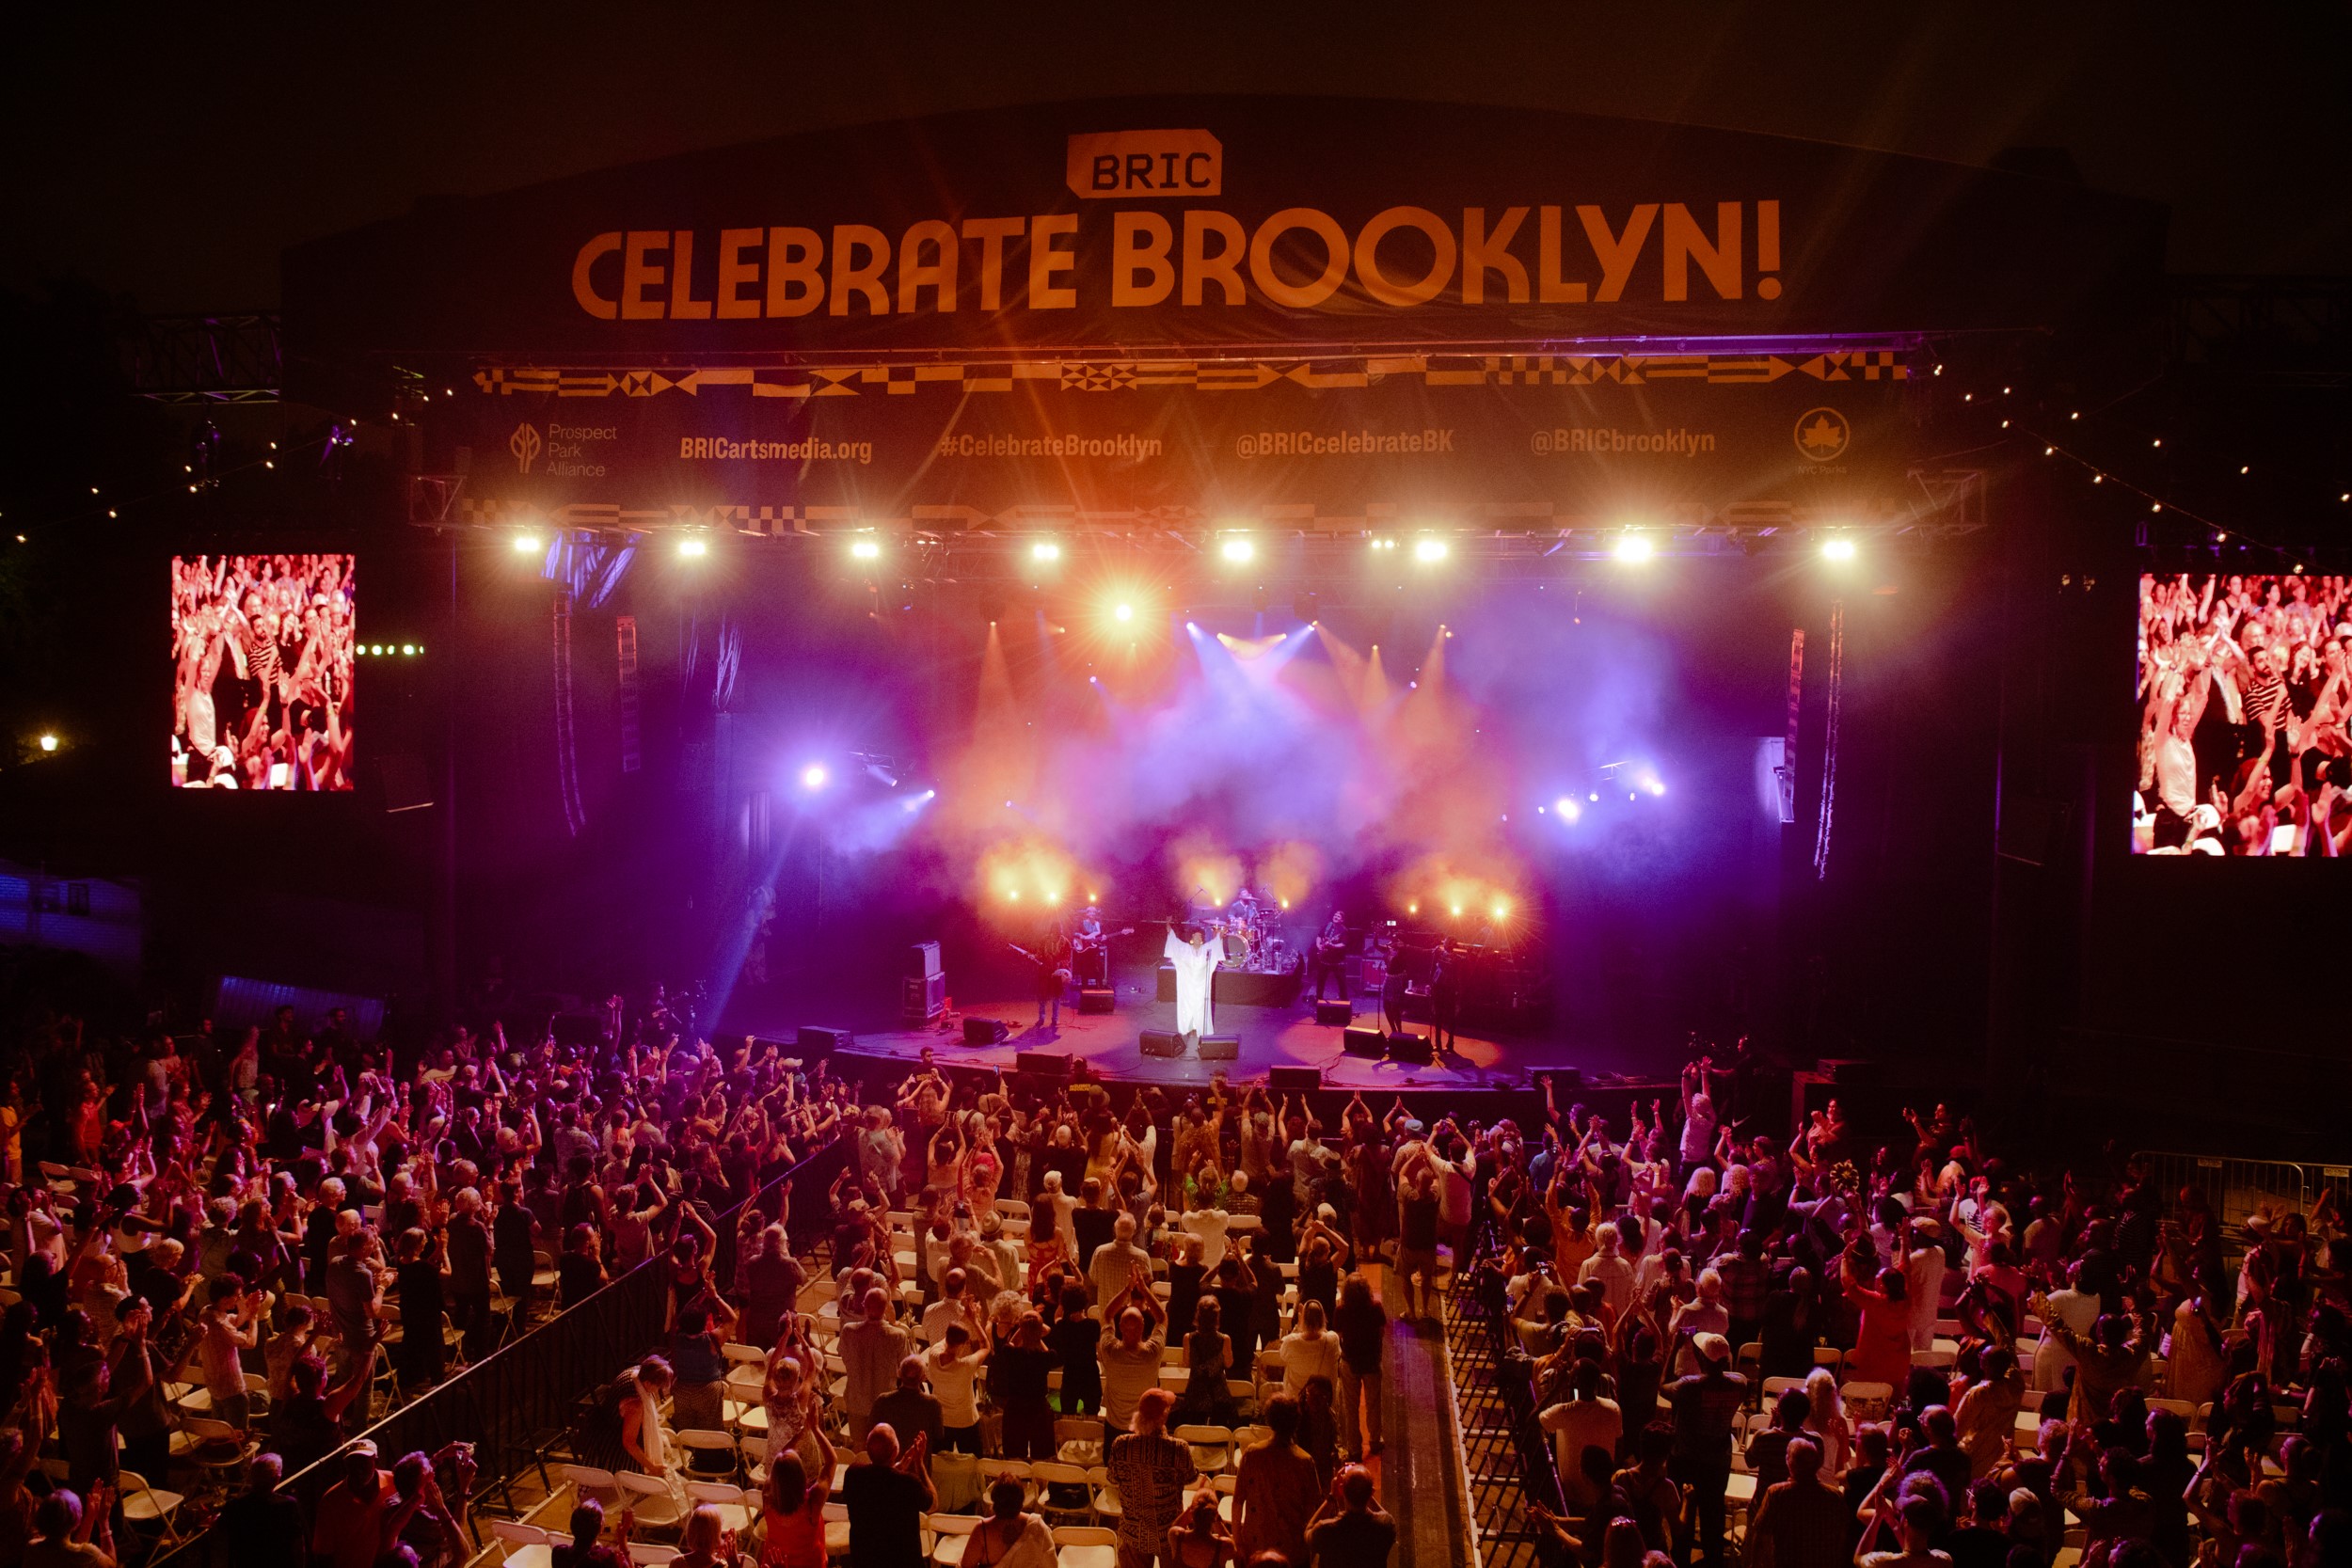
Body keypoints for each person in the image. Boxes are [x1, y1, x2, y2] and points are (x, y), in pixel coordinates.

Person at [1666, 1332, 1747, 1568]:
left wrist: (1673, 1349)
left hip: (1686, 1459)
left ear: (1701, 1358)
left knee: (1685, 1514)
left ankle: (1682, 1561)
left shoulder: (1689, 1386)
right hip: (1718, 1461)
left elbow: (1663, 1386)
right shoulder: (1739, 1384)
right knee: (1714, 1514)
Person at [1107, 1388, 1196, 1568]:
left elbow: (1112, 1477)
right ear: (1164, 1416)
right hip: (1169, 1534)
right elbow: (1191, 1477)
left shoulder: (1121, 1445)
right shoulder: (1178, 1449)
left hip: (1133, 1534)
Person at [1232, 1394, 1322, 1566]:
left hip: (1255, 1547)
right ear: (1296, 1422)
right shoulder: (1305, 1461)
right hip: (1293, 1549)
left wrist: (1239, 1542)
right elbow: (1312, 1509)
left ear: (1269, 1420)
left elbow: (1237, 1502)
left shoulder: (1252, 1454)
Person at [1744, 1437, 1849, 1568]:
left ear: (1789, 1462)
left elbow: (1761, 1536)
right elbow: (1842, 1538)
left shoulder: (1777, 1493)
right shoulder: (1835, 1496)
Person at [842, 1423, 933, 1568]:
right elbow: (932, 1504)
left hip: (865, 1560)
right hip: (903, 1562)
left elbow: (879, 1482)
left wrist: (897, 1468)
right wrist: (919, 1463)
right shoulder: (907, 1483)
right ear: (895, 1452)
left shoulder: (853, 1475)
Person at [1332, 1273, 1387, 1462]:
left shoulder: (1341, 1311)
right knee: (1373, 1403)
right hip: (1371, 1360)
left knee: (1350, 1406)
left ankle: (1354, 1448)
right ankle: (1375, 1440)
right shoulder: (1375, 1308)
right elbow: (1381, 1332)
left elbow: (1338, 1334)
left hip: (1349, 1361)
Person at [1304, 1465, 1395, 1568]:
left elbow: (1308, 1531)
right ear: (1371, 1492)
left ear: (1341, 1489)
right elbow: (1387, 1517)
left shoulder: (1325, 1531)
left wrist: (1332, 1496)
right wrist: (1367, 1493)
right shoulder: (1385, 1525)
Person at [964, 1476, 1057, 1568]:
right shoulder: (1037, 1527)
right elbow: (1051, 1565)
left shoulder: (982, 1530)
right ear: (1021, 1502)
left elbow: (966, 1566)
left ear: (995, 1501)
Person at [25, 1487, 115, 1568]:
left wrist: (90, 1516)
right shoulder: (88, 1554)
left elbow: (74, 1550)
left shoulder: (33, 1548)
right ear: (76, 1520)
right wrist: (104, 1521)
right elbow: (111, 1565)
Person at [1164, 922, 1223, 1041]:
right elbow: (1175, 943)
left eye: (1200, 936)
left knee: (1201, 1005)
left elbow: (1216, 943)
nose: (1198, 938)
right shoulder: (1185, 949)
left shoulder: (1207, 949)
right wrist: (1169, 930)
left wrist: (1220, 935)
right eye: (1196, 936)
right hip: (1187, 983)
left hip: (1202, 984)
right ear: (1191, 938)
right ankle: (1188, 1027)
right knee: (1187, 1004)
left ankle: (1201, 1028)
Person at [1166, 1484, 1236, 1568]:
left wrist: (1190, 1509)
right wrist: (1218, 1521)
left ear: (1192, 1512)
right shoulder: (1225, 1546)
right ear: (1214, 1515)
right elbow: (1233, 1551)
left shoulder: (1176, 1536)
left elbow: (1175, 1527)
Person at [1309, 911, 1349, 1002]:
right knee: (1321, 980)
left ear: (1342, 920)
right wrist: (1318, 944)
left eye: (1338, 916)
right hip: (1325, 959)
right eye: (1335, 915)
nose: (1336, 917)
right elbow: (1319, 936)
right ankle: (1319, 999)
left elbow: (1343, 944)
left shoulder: (1344, 930)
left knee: (1341, 982)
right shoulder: (1328, 926)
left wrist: (1333, 946)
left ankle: (1344, 1001)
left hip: (1337, 961)